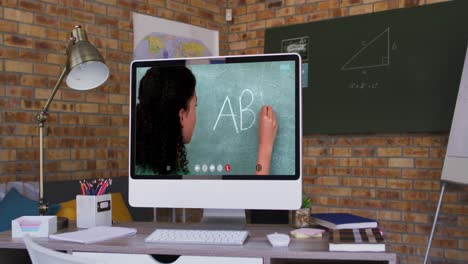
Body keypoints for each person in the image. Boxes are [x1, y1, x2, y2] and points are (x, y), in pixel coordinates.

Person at [135, 65, 278, 175]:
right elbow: (259, 210)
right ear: (182, 115)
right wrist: (265, 146)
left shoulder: (143, 170)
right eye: (195, 105)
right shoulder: (171, 178)